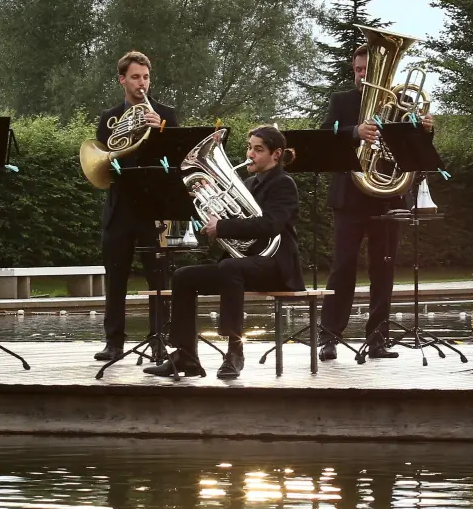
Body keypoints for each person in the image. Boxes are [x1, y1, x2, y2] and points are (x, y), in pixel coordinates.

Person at [150, 125, 304, 381]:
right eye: (249, 148)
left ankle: (234, 352)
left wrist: (222, 226)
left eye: (258, 149)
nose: (250, 154)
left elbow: (271, 225)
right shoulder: (248, 183)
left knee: (230, 268)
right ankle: (185, 356)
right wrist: (212, 218)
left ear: (276, 154)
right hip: (243, 265)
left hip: (276, 265)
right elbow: (234, 228)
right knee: (183, 276)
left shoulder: (283, 184)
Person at [316, 45, 434, 361]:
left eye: (368, 70)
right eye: (358, 70)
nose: (362, 75)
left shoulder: (402, 102)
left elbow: (416, 151)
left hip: (387, 197)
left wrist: (426, 132)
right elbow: (325, 136)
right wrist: (355, 131)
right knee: (342, 268)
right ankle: (329, 337)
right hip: (350, 197)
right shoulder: (342, 101)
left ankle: (378, 339)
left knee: (383, 271)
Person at [94, 50, 179, 362]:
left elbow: (176, 158)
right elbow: (104, 159)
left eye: (145, 77)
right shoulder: (109, 117)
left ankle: (159, 340)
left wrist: (161, 131)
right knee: (115, 278)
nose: (142, 83)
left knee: (158, 279)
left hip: (153, 207)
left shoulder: (166, 114)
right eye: (135, 77)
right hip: (119, 207)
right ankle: (113, 342)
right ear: (122, 80)